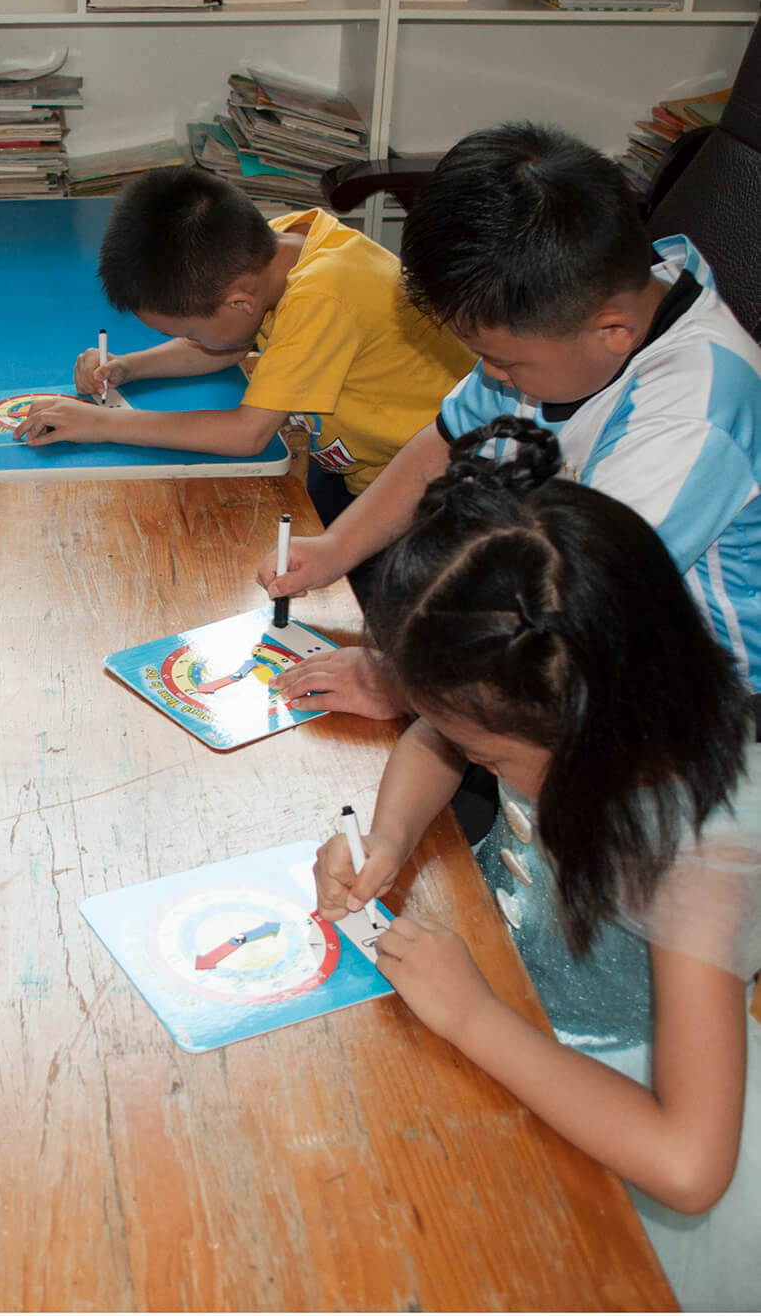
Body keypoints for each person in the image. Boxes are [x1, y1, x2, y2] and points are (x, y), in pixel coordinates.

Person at [317, 417, 760, 1312]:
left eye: (489, 753)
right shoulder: (567, 692)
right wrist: (391, 840)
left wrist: (474, 1017)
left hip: (627, 1124)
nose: (473, 763)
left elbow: (688, 1165)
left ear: (571, 720)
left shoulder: (695, 851)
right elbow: (435, 742)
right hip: (519, 1038)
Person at [263, 121, 761, 723]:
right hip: (545, 618)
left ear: (614, 331)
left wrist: (398, 682)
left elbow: (572, 609)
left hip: (691, 707)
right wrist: (336, 547)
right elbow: (446, 445)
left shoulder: (691, 415)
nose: (490, 377)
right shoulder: (565, 318)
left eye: (502, 362)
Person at [12, 165, 472, 534]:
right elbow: (230, 342)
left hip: (435, 493)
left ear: (238, 301)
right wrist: (129, 367)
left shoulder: (324, 296)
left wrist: (103, 424)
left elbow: (246, 434)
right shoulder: (278, 247)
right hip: (359, 465)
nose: (192, 340)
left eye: (191, 329)